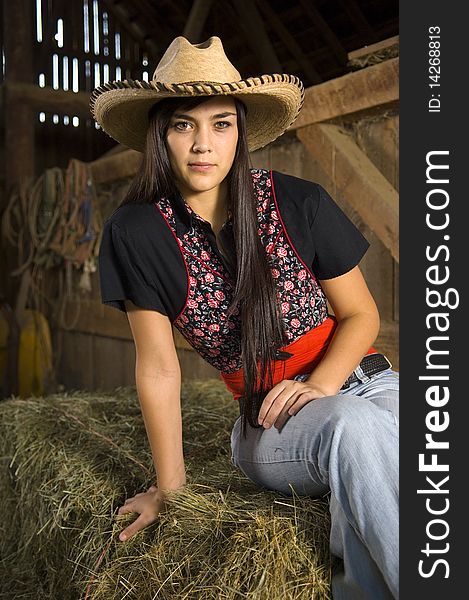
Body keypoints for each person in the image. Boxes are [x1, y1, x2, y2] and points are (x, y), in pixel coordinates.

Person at [93, 36, 399, 600]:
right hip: (271, 421)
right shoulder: (135, 234)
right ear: (160, 134)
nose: (203, 145)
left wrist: (322, 384)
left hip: (370, 383)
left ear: (241, 131)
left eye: (221, 124)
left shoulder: (297, 200)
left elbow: (361, 315)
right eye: (183, 125)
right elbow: (159, 371)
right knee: (353, 431)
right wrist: (171, 488)